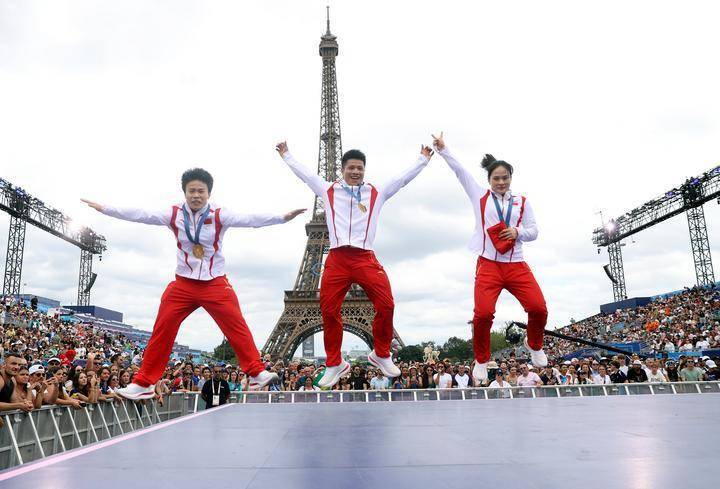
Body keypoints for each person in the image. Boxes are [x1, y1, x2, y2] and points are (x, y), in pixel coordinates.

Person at [82, 168, 305, 399]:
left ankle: (257, 372)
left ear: (209, 193)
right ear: (184, 192)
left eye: (201, 191)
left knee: (236, 324)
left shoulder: (219, 215)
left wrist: (281, 217)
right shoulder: (173, 214)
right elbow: (141, 214)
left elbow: (249, 219)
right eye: (192, 191)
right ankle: (145, 383)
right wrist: (105, 208)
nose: (196, 195)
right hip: (183, 284)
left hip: (215, 282)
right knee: (163, 328)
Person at [276, 141, 433, 388]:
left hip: (364, 257)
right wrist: (287, 155)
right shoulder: (328, 190)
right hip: (337, 258)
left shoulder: (376, 192)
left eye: (360, 168)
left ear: (364, 170)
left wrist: (422, 159)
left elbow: (401, 180)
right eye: (351, 167)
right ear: (342, 169)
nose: (356, 171)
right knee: (328, 310)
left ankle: (381, 353)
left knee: (386, 303)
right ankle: (334, 363)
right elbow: (306, 175)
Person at [433, 133, 548, 386]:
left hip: (516, 264)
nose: (501, 182)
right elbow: (460, 172)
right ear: (489, 180)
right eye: (496, 178)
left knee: (539, 308)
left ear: (511, 178)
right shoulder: (480, 197)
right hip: (488, 264)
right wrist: (444, 150)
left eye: (505, 178)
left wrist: (518, 232)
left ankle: (534, 343)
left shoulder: (522, 202)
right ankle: (482, 360)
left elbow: (534, 231)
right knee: (482, 315)